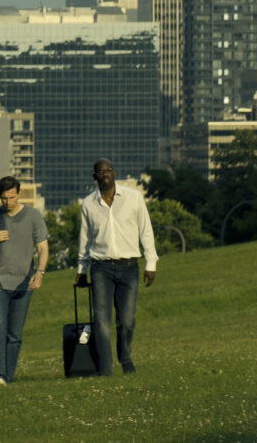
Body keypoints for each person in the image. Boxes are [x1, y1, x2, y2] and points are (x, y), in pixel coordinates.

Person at [76, 158, 157, 376]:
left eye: (108, 171)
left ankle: (125, 356)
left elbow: (145, 230)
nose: (104, 174)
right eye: (100, 172)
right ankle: (105, 368)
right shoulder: (88, 204)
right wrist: (81, 270)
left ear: (114, 173)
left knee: (127, 321)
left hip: (129, 266)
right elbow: (85, 238)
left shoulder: (133, 198)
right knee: (101, 321)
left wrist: (151, 263)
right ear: (94, 177)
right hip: (101, 268)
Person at [0, 175, 48, 385]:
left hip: (23, 283)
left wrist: (40, 272)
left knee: (15, 334)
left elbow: (43, 248)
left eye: (12, 197)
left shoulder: (33, 216)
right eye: (4, 198)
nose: (8, 202)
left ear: (19, 194)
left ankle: (8, 376)